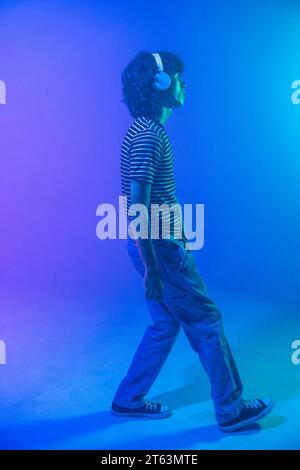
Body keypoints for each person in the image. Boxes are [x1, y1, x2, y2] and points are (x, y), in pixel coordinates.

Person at [111, 50, 274, 432]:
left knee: (165, 326)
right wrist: (154, 266)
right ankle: (231, 412)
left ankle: (127, 399)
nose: (184, 85)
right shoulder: (150, 136)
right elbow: (138, 204)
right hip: (160, 251)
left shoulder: (145, 131)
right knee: (207, 321)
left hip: (154, 247)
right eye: (179, 78)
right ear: (161, 84)